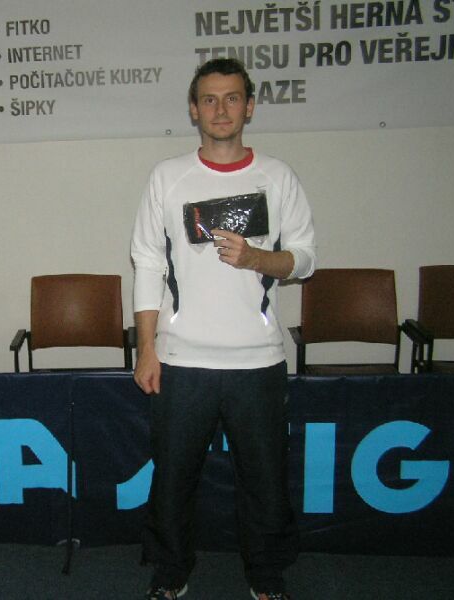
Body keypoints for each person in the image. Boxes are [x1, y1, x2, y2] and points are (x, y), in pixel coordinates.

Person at [130, 57, 316, 600]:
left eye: (232, 98)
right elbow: (147, 264)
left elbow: (305, 259)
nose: (220, 109)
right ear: (193, 110)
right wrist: (146, 349)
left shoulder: (278, 177)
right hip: (181, 362)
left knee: (265, 482)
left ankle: (266, 577)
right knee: (172, 480)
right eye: (208, 99)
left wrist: (258, 258)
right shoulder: (167, 177)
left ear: (249, 107)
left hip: (257, 361)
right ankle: (170, 575)